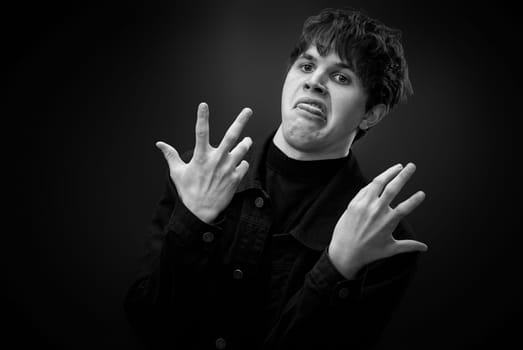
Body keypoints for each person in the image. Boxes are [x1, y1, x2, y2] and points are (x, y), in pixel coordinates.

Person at [124, 7, 428, 350]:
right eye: (307, 66)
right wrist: (192, 222)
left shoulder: (384, 237)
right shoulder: (200, 176)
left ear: (371, 114)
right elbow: (146, 322)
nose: (315, 82)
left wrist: (338, 267)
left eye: (342, 77)